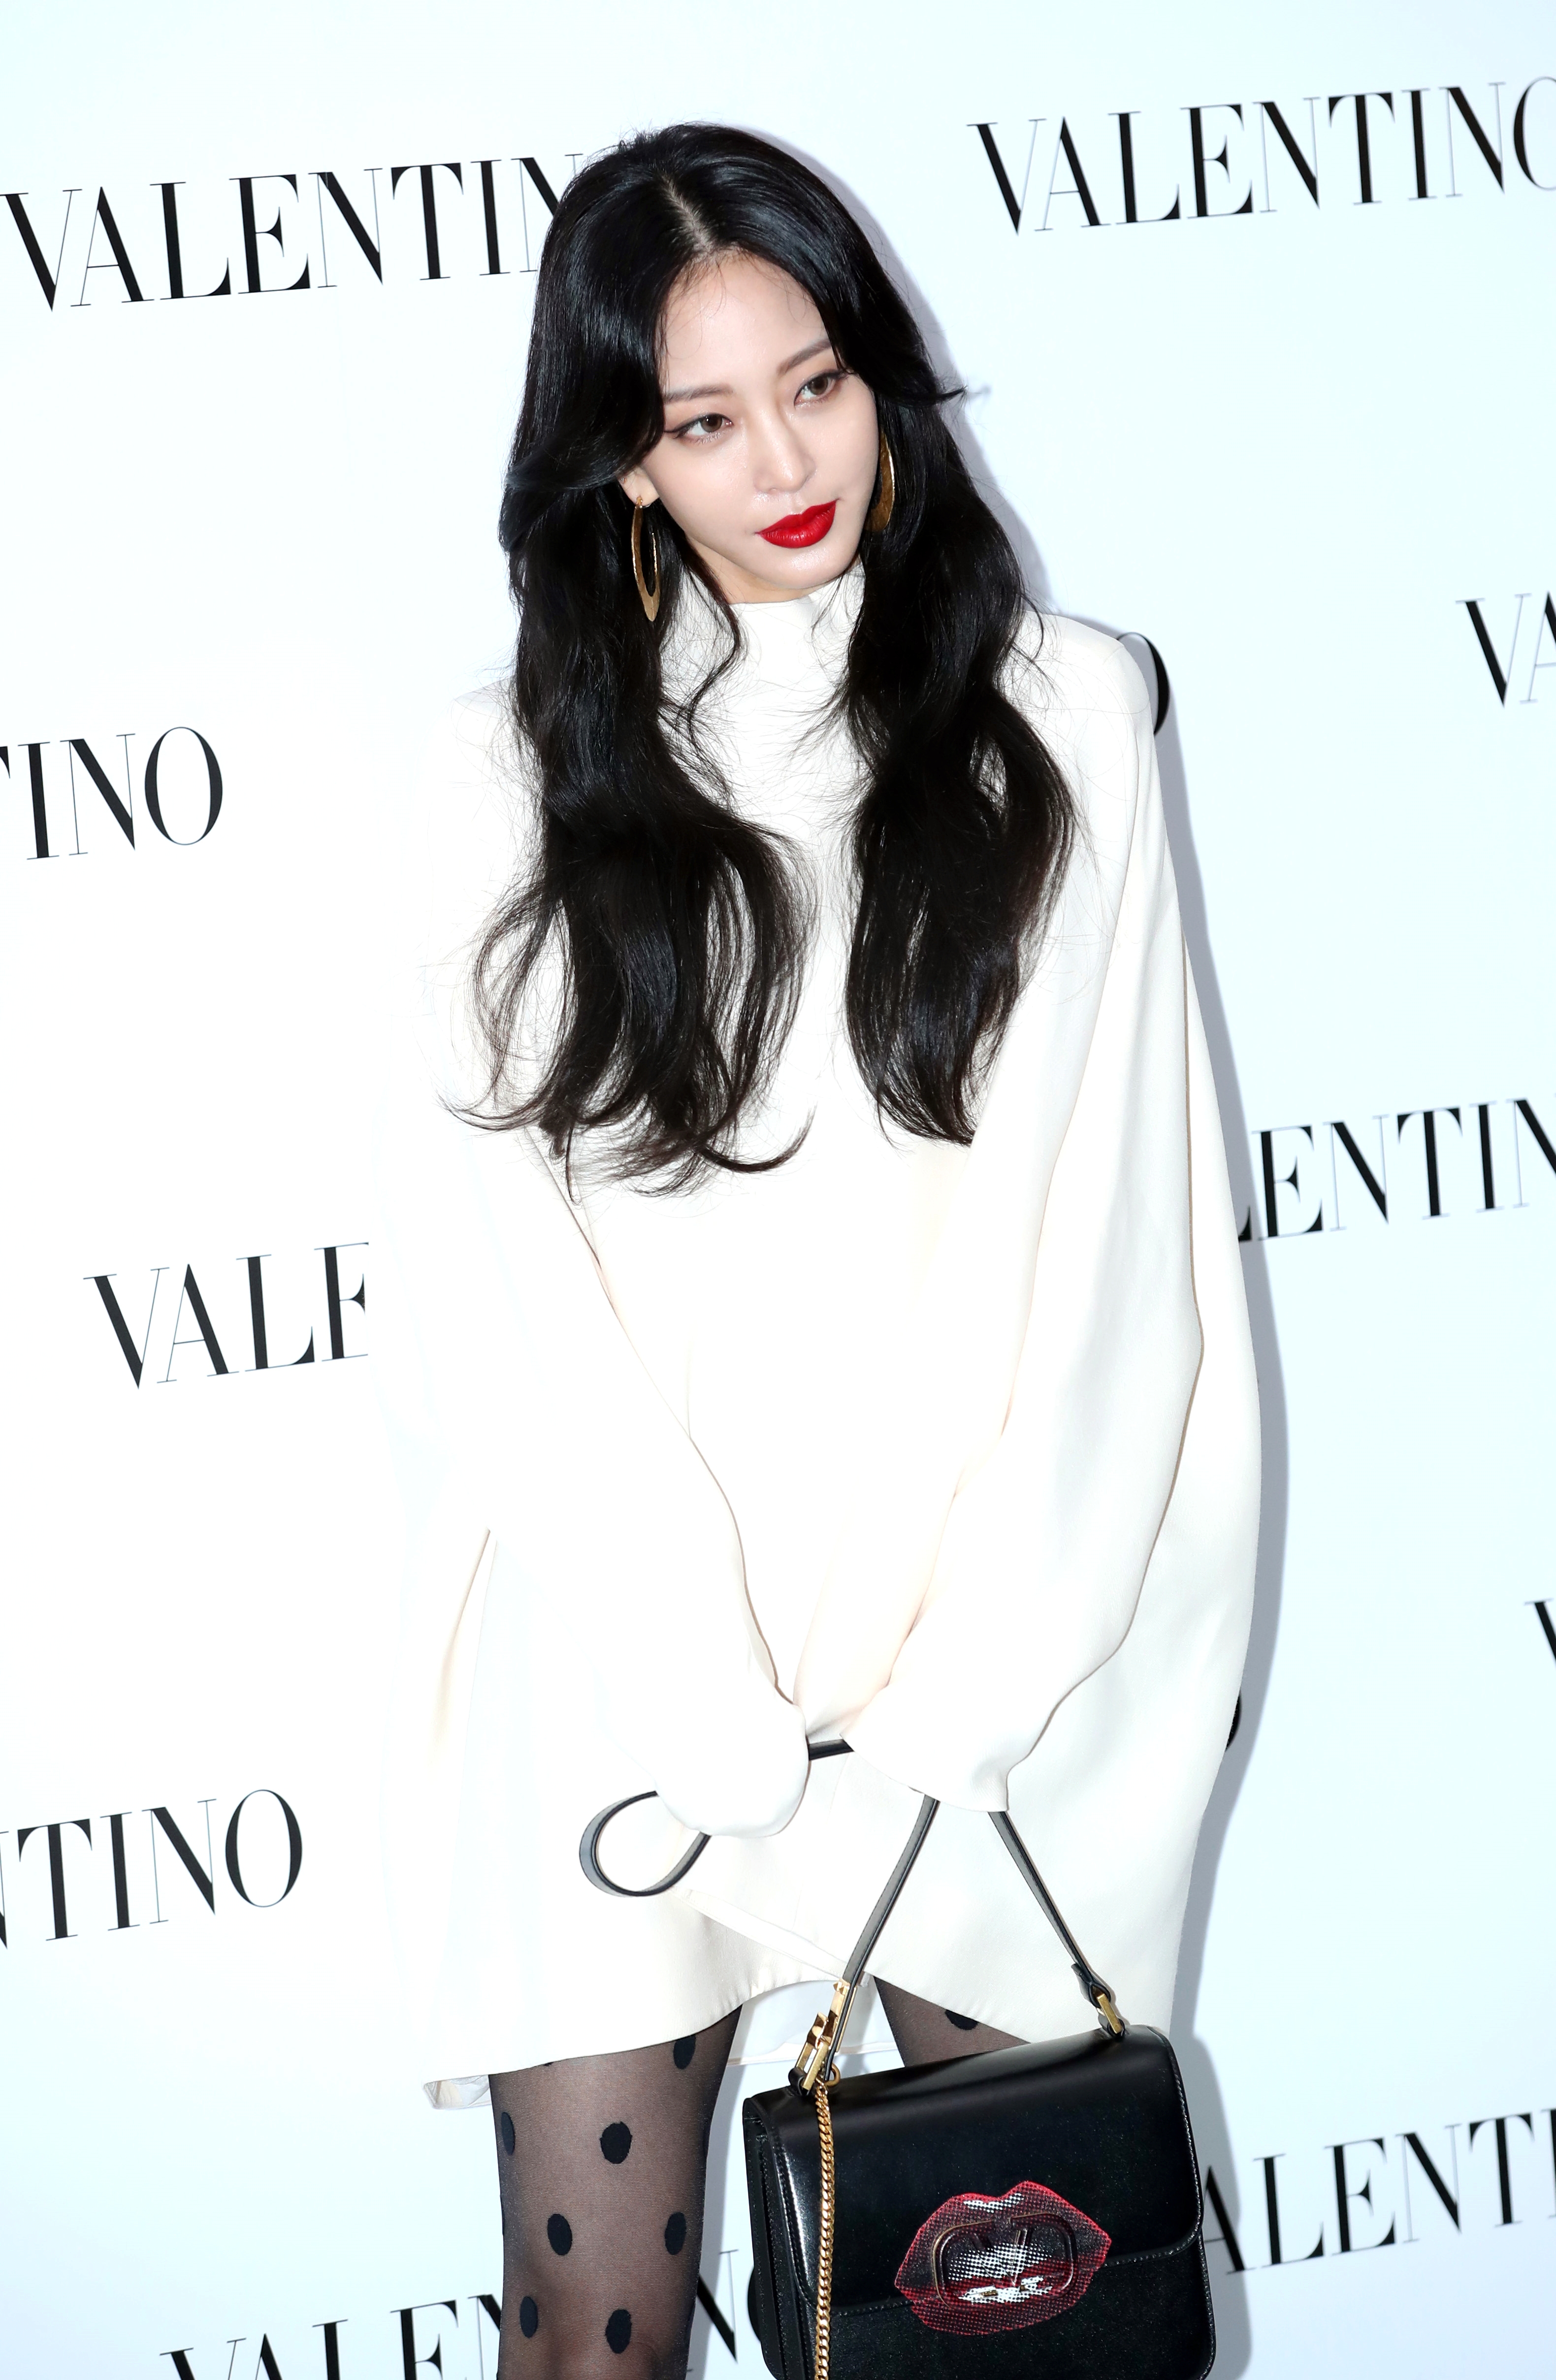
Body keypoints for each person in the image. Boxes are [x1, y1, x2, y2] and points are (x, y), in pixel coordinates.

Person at [373, 122, 1260, 2380]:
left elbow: (1123, 1250)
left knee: (1006, 2348)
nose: (785, 463)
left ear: (883, 379)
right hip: (630, 1662)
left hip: (989, 1664)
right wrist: (697, 1680)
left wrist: (976, 1682)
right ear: (619, 459)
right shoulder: (496, 783)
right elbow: (498, 1296)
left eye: (819, 383)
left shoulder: (1067, 712)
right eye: (703, 418)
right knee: (589, 2335)